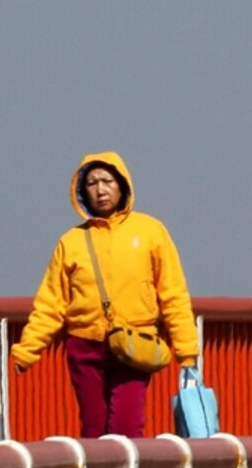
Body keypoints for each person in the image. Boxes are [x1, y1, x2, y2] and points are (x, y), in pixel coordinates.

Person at [11, 151, 199, 439]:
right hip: (85, 346)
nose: (100, 190)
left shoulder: (150, 231)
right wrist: (27, 350)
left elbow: (173, 294)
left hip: (135, 344)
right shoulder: (70, 242)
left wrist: (187, 352)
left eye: (108, 181)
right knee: (94, 428)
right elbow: (51, 303)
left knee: (126, 426)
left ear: (123, 185)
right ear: (81, 191)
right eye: (92, 183)